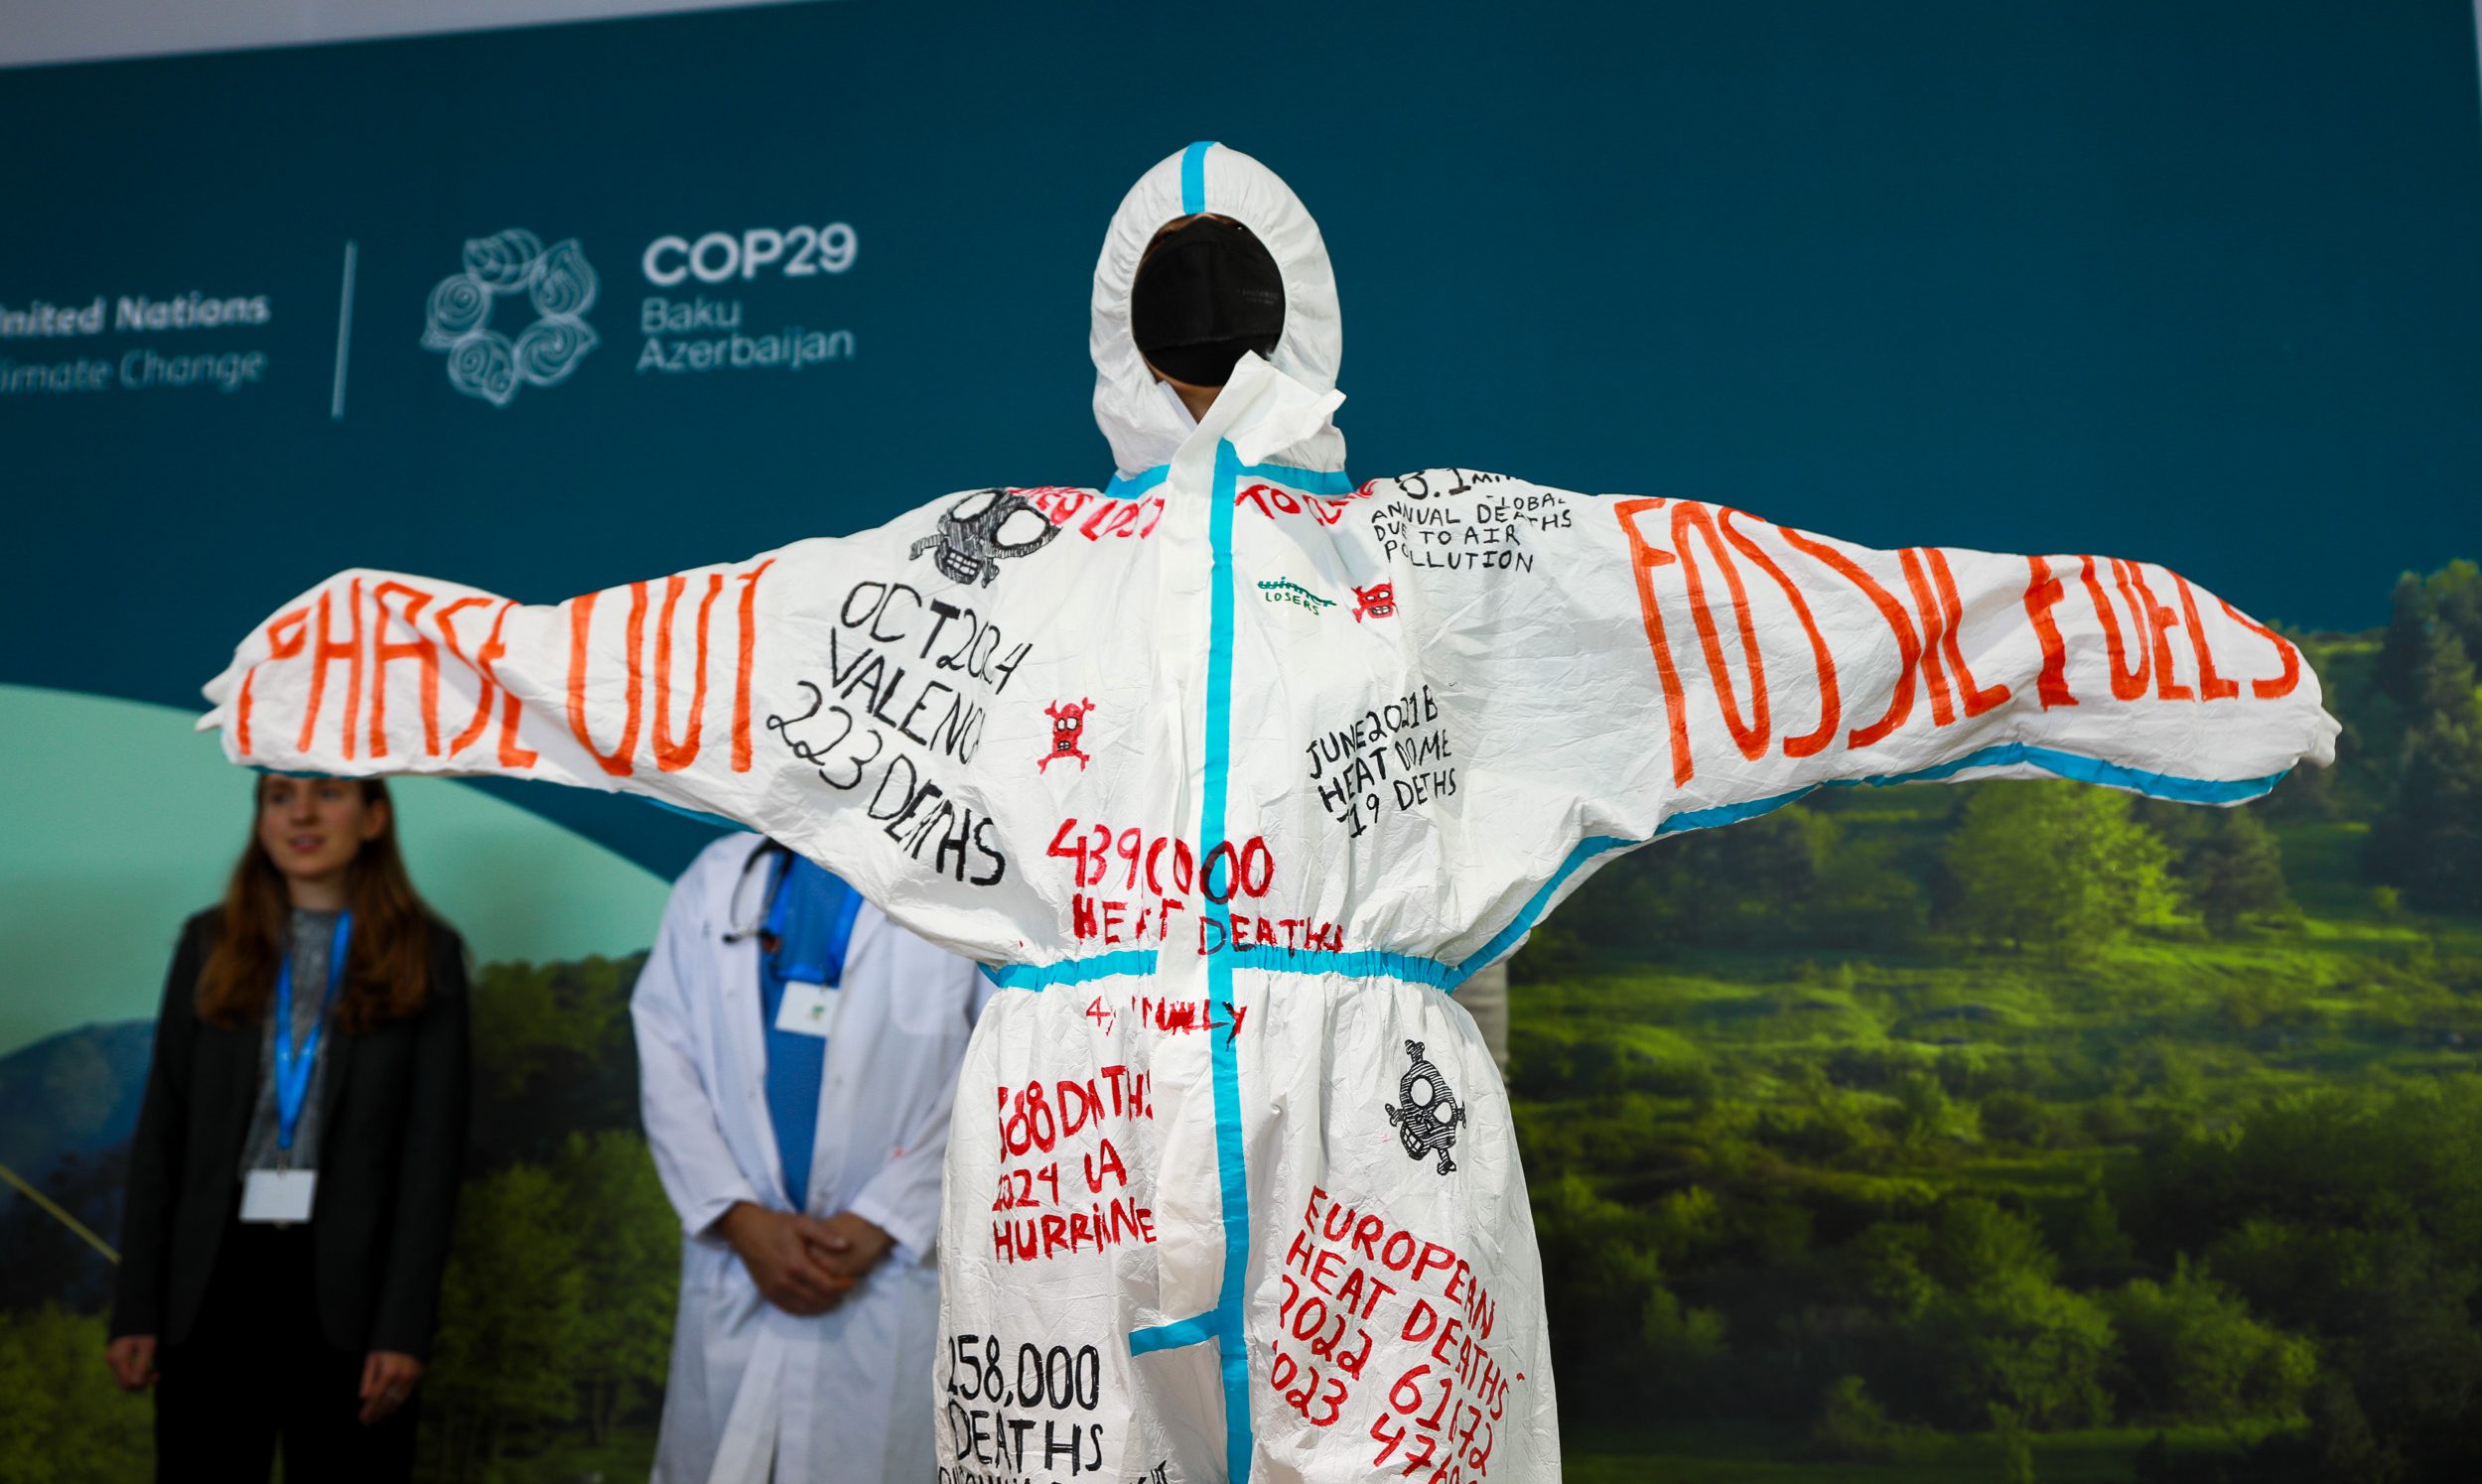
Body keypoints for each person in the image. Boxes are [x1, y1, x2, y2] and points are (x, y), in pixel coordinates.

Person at [198, 143, 2337, 1481]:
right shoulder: (986, 563)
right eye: (1177, 297)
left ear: (1295, 314)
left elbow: (1795, 617)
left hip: (1364, 1100)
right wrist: (383, 658)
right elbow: (688, 651)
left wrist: (2128, 650)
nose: (1205, 334)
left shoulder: (1461, 555)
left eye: (1232, 300)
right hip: (1067, 1108)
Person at [107, 773, 470, 1482]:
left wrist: (402, 1327)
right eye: (279, 796)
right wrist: (136, 1307)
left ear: (373, 817)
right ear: (262, 818)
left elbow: (434, 1159)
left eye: (328, 792)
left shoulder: (428, 952)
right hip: (213, 1281)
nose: (301, 812)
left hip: (351, 1291)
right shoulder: (206, 941)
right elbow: (162, 1135)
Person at [633, 833, 992, 1484]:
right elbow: (665, 1050)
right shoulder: (715, 880)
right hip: (739, 1264)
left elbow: (996, 1064)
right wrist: (738, 1215)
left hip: (891, 1271)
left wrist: (885, 1216)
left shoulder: (966, 875)